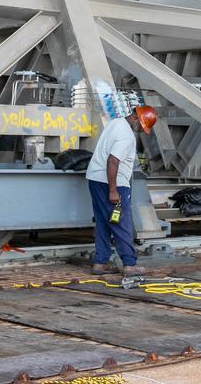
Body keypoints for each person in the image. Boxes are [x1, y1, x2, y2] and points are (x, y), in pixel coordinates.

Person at [86, 104, 157, 277]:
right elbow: (112, 161)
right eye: (142, 127)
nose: (141, 131)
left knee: (103, 222)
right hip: (114, 184)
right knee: (121, 223)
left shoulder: (115, 123)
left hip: (95, 179)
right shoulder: (126, 136)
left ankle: (100, 263)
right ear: (137, 120)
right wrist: (113, 190)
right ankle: (129, 265)